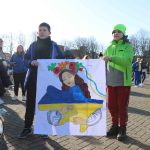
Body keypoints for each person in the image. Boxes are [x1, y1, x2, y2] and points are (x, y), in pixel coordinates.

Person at [18, 22, 65, 138]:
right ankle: (27, 127)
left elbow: (63, 59)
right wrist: (30, 62)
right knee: (30, 105)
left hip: (48, 81)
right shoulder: (33, 45)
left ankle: (44, 128)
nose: (42, 32)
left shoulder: (54, 45)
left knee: (45, 104)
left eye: (44, 30)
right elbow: (25, 59)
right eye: (40, 30)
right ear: (37, 32)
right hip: (33, 79)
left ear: (49, 32)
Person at [102, 24, 133, 141]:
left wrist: (111, 58)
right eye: (114, 31)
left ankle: (122, 128)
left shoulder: (128, 46)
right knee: (111, 106)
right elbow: (103, 64)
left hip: (123, 83)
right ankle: (114, 126)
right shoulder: (108, 47)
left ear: (123, 34)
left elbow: (126, 61)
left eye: (119, 31)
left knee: (122, 107)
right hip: (110, 82)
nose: (116, 33)